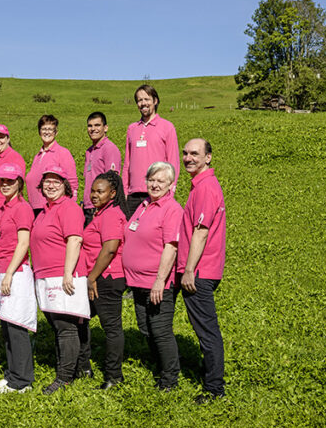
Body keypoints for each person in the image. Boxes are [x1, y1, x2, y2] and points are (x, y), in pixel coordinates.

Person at [123, 161, 183, 391]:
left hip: (157, 282)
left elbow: (171, 246)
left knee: (160, 330)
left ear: (170, 184)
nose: (155, 184)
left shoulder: (171, 209)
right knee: (145, 327)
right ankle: (161, 368)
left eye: (161, 181)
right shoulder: (144, 205)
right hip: (137, 282)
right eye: (152, 180)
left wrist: (160, 280)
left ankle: (170, 379)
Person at [30, 165, 88, 395]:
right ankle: (80, 368)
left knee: (66, 327)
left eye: (56, 181)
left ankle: (64, 378)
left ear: (65, 186)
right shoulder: (45, 210)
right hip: (46, 275)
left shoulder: (69, 208)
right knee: (59, 325)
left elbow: (74, 240)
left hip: (62, 275)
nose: (51, 185)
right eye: (47, 181)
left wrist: (67, 273)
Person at [177, 139, 227, 403]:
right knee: (205, 329)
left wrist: (189, 270)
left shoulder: (206, 187)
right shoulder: (200, 186)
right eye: (185, 153)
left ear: (208, 157)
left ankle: (214, 388)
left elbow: (201, 231)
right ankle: (212, 380)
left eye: (195, 153)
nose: (188, 158)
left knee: (207, 331)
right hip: (202, 269)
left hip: (201, 271)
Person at [0, 163, 37, 394]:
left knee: (17, 325)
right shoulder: (2, 208)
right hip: (1, 270)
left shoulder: (22, 208)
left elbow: (24, 243)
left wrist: (9, 272)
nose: (5, 185)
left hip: (15, 272)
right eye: (2, 181)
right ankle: (12, 375)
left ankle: (23, 379)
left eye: (10, 181)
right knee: (7, 325)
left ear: (20, 183)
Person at [82, 171, 128, 390]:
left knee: (111, 328)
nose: (94, 195)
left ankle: (114, 376)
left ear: (112, 193)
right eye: (92, 190)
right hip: (96, 277)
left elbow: (109, 249)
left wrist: (92, 277)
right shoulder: (100, 213)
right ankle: (84, 367)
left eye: (100, 191)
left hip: (106, 277)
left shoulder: (110, 215)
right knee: (81, 319)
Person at [123, 84, 179, 215]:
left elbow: (173, 161)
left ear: (155, 101)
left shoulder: (167, 127)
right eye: (139, 100)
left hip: (157, 192)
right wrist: (125, 192)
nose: (143, 103)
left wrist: (171, 190)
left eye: (146, 99)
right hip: (133, 194)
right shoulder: (132, 129)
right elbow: (127, 163)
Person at [26, 114, 79, 217]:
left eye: (50, 129)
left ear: (56, 132)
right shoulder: (38, 156)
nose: (47, 132)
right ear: (39, 132)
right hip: (35, 208)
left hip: (53, 208)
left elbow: (72, 182)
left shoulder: (62, 153)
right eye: (44, 129)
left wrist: (70, 207)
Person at [83, 112, 123, 224]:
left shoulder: (109, 149)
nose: (93, 129)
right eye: (90, 126)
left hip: (100, 207)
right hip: (88, 206)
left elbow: (112, 180)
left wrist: (103, 207)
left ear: (105, 128)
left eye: (97, 125)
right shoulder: (89, 151)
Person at [0, 124, 26, 207]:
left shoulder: (14, 158)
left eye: (1, 137)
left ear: (8, 139)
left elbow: (17, 188)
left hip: (1, 207)